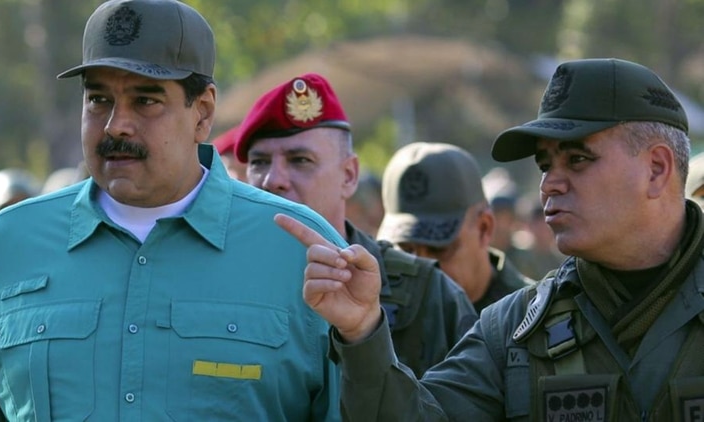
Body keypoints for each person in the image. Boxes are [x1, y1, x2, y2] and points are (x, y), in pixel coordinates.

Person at [0, 1, 343, 420]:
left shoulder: (299, 249)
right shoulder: (7, 244)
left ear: (203, 113)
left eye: (146, 100)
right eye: (99, 100)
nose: (116, 125)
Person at [277, 58, 704, 420]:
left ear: (657, 169)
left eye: (577, 159)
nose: (549, 185)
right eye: (544, 165)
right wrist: (362, 331)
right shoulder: (514, 331)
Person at [234, 73, 477, 377]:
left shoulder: (426, 295)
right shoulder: (222, 278)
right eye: (259, 162)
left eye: (299, 160)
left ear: (348, 176)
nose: (273, 180)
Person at [376, 142, 531, 314]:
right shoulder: (379, 315)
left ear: (484, 228)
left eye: (438, 250)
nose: (422, 268)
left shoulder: (531, 313)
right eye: (407, 251)